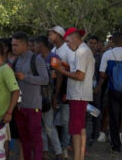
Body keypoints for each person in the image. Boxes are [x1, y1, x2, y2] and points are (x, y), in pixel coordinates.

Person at [54, 27, 94, 160]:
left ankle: (77, 157)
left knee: (76, 130)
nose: (66, 44)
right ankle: (80, 157)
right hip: (78, 94)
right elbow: (76, 70)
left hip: (79, 94)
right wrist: (63, 66)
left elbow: (79, 76)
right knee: (80, 127)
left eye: (67, 41)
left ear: (74, 38)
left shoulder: (82, 51)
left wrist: (61, 70)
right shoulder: (80, 51)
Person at [96, 32, 122, 154]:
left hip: (113, 91)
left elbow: (102, 73)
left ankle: (115, 147)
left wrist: (112, 77)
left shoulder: (107, 54)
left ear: (112, 41)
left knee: (114, 118)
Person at [12, 31, 49, 160]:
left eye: (16, 45)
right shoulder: (16, 60)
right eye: (12, 45)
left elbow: (45, 79)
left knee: (36, 138)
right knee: (24, 139)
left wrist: (26, 77)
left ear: (24, 45)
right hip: (19, 106)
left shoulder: (36, 59)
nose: (13, 48)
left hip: (33, 105)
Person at [34, 35, 63, 159]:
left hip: (49, 95)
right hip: (37, 96)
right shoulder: (36, 58)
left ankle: (58, 151)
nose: (33, 47)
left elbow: (59, 76)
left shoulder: (54, 58)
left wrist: (55, 95)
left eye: (35, 45)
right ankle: (44, 150)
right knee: (40, 125)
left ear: (40, 45)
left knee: (49, 125)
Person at [48, 25, 74, 157]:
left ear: (58, 35)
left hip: (66, 90)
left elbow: (71, 70)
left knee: (65, 120)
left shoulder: (67, 50)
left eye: (51, 34)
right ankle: (57, 146)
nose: (49, 37)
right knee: (54, 120)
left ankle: (65, 146)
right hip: (54, 90)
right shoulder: (53, 50)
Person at [87, 35, 103, 144]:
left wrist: (98, 87)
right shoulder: (83, 55)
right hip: (84, 89)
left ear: (97, 45)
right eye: (90, 43)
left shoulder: (100, 57)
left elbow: (103, 74)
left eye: (94, 43)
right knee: (85, 111)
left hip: (95, 90)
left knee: (95, 112)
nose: (92, 45)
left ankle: (95, 135)